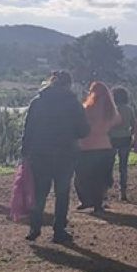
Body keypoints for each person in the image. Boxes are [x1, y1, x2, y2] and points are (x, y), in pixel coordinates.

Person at [19, 71, 88, 244]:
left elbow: (28, 130)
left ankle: (34, 228)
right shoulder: (73, 104)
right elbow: (84, 131)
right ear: (68, 85)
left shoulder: (37, 102)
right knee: (62, 193)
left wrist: (25, 153)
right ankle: (58, 230)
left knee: (40, 192)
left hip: (40, 153)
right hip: (65, 154)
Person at [73, 81, 119, 213]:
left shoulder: (87, 108)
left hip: (87, 147)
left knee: (81, 177)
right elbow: (117, 122)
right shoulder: (111, 109)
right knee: (100, 179)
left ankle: (85, 200)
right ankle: (98, 205)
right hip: (105, 146)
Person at [109, 86, 136, 202]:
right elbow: (134, 124)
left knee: (109, 166)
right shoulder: (129, 109)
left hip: (112, 139)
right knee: (123, 167)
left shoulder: (111, 109)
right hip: (125, 138)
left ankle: (105, 191)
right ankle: (123, 192)